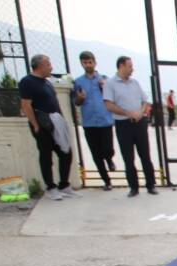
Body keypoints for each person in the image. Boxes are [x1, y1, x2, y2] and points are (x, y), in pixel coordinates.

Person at [19, 54, 77, 201]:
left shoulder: (47, 82)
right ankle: (51, 187)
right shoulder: (27, 82)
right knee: (46, 156)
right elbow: (26, 105)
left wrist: (61, 121)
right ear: (39, 66)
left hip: (56, 123)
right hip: (42, 124)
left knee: (66, 153)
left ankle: (64, 185)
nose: (51, 67)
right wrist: (35, 125)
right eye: (48, 64)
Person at [103, 56, 157, 197]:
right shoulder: (110, 84)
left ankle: (151, 185)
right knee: (128, 157)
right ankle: (134, 187)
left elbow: (145, 101)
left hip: (140, 123)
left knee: (145, 155)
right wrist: (128, 113)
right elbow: (109, 105)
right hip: (123, 124)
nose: (132, 69)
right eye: (130, 66)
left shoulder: (135, 83)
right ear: (121, 66)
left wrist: (140, 112)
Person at [72, 51, 116, 192]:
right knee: (96, 154)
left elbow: (112, 98)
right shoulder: (78, 82)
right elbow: (76, 102)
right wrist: (80, 98)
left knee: (107, 148)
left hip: (105, 120)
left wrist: (104, 87)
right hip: (89, 122)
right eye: (85, 62)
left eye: (90, 62)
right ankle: (106, 181)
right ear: (82, 64)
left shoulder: (104, 79)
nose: (88, 64)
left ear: (95, 62)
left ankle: (109, 159)